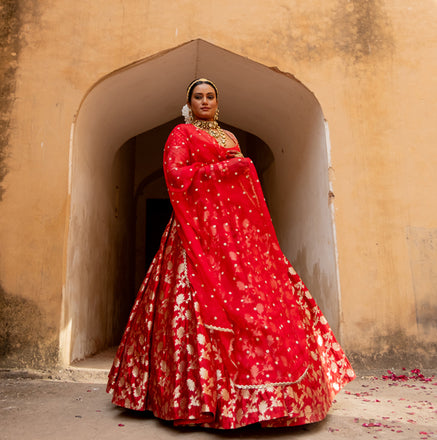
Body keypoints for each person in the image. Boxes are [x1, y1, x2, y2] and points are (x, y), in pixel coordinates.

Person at [107, 78, 355, 428]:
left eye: (210, 97)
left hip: (236, 234)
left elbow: (242, 186)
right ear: (188, 103)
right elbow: (176, 175)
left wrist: (238, 178)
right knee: (194, 308)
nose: (204, 101)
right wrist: (228, 168)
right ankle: (196, 402)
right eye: (198, 97)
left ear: (218, 102)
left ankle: (266, 397)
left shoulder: (231, 138)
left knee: (260, 306)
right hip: (195, 232)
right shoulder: (181, 135)